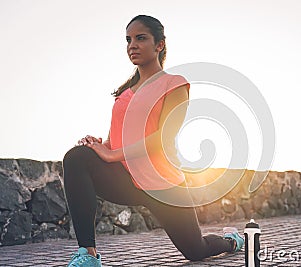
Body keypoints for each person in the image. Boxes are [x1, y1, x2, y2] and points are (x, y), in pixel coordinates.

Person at [62, 14, 244, 267]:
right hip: (127, 178)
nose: (132, 45)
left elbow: (164, 139)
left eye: (140, 38)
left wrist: (112, 154)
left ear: (159, 45)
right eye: (128, 40)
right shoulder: (123, 94)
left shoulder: (174, 84)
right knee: (77, 158)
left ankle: (232, 241)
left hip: (165, 187)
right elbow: (115, 141)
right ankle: (88, 256)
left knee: (195, 249)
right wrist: (99, 146)